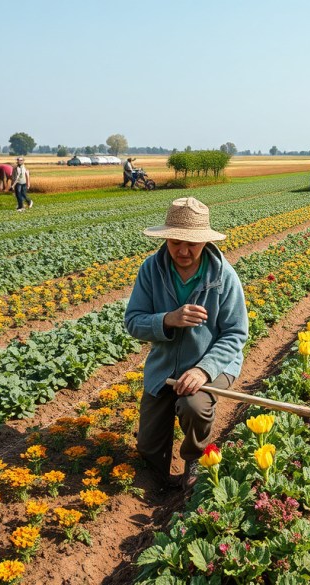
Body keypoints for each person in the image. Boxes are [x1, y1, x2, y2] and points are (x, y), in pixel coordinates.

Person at [125, 197, 248, 490]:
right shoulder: (151, 270)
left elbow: (235, 333)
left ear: (204, 241)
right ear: (167, 237)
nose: (182, 250)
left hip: (214, 365)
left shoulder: (223, 277)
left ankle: (194, 459)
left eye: (191, 244)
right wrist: (167, 319)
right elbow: (133, 321)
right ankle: (156, 478)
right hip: (165, 368)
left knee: (194, 404)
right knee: (149, 449)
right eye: (176, 241)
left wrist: (203, 371)